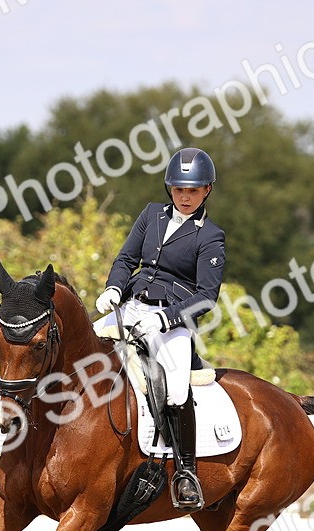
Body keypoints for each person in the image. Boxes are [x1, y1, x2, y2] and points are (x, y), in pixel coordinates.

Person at [95, 147, 226, 510]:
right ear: (170, 188)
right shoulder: (151, 215)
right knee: (83, 353)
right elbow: (126, 258)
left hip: (172, 320)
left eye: (194, 190)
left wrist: (166, 318)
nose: (185, 197)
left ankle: (186, 472)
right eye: (179, 189)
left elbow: (207, 296)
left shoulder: (211, 236)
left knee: (176, 390)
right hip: (132, 305)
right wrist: (114, 288)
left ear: (207, 191)